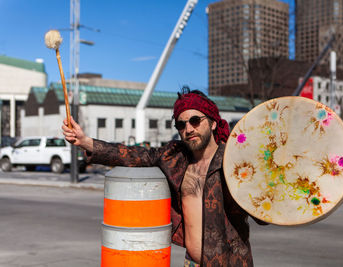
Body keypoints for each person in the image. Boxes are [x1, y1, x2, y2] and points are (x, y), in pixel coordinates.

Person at [62, 87, 265, 266]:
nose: (188, 129)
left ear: (212, 123)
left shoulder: (235, 161)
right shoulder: (174, 156)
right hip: (192, 263)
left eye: (195, 121)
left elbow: (265, 212)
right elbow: (132, 154)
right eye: (181, 124)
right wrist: (86, 142)